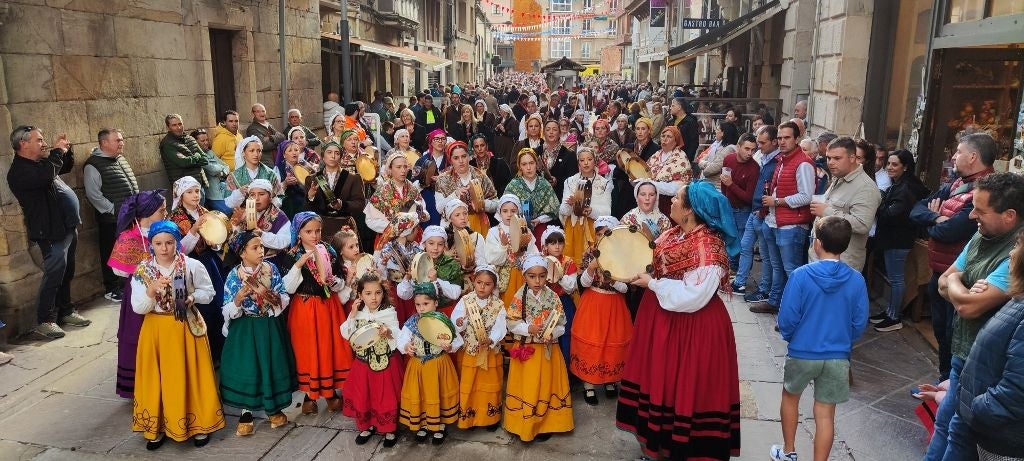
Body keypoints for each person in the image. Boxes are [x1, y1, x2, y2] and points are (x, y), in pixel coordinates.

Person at [617, 181, 741, 460]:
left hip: (692, 326)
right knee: (660, 381)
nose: (670, 201)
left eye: (676, 199)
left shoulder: (708, 248)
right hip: (662, 319)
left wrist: (652, 284)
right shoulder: (674, 233)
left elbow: (693, 296)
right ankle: (657, 445)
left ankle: (683, 450)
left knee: (683, 385)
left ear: (689, 211)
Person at [926, 172, 1024, 461]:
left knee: (958, 433)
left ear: (1009, 216)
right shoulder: (982, 235)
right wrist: (962, 286)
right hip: (965, 355)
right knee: (945, 425)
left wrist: (958, 283)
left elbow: (968, 307)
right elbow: (943, 281)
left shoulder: (1017, 251)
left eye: (980, 210)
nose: (971, 216)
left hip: (986, 371)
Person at [771, 216, 868, 461]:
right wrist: (844, 340)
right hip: (837, 355)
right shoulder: (856, 279)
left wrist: (793, 337)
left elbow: (787, 318)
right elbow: (859, 322)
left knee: (790, 398)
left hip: (802, 350)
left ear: (817, 243)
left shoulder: (800, 275)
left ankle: (789, 451)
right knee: (825, 414)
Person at [129, 220, 224, 450]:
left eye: (169, 243)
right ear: (151, 244)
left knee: (192, 374)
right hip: (156, 329)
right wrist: (151, 291)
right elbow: (138, 307)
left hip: (185, 326)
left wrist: (192, 298)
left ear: (177, 243)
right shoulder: (143, 271)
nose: (164, 248)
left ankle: (199, 424)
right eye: (158, 243)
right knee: (158, 378)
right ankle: (157, 427)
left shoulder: (191, 265)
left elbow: (208, 292)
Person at [910, 132, 996, 381]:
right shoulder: (957, 184)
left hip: (962, 276)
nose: (954, 156)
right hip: (940, 271)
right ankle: (943, 380)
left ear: (973, 156)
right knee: (941, 330)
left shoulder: (985, 191)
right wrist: (936, 218)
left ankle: (949, 384)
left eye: (958, 152)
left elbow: (951, 231)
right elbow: (917, 209)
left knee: (953, 334)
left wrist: (933, 224)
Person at [9, 126, 87, 339]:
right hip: (50, 231)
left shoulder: (42, 163)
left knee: (67, 271)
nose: (44, 144)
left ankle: (66, 311)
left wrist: (66, 151)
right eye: (39, 140)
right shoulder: (19, 171)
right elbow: (45, 177)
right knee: (54, 273)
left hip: (66, 225)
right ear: (23, 143)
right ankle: (45, 320)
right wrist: (57, 152)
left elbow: (65, 167)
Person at [956, 229, 1024, 460]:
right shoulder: (1018, 300)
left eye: (1018, 246)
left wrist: (979, 409)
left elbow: (1016, 390)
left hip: (1002, 439)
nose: (1012, 253)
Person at [219, 230, 295, 436]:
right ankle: (246, 412)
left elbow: (283, 294)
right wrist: (238, 299)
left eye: (261, 246)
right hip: (245, 327)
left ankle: (273, 408)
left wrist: (272, 298)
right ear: (242, 253)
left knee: (270, 363)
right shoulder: (234, 276)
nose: (261, 251)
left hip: (268, 324)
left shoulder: (271, 269)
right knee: (248, 367)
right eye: (255, 247)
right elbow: (227, 305)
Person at [280, 212, 353, 416]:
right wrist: (298, 265)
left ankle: (330, 392)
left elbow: (340, 279)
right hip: (305, 307)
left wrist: (334, 282)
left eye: (318, 231)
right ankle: (309, 395)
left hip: (328, 306)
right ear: (298, 232)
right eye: (308, 231)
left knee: (329, 347)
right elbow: (288, 287)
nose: (314, 235)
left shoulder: (328, 250)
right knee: (309, 350)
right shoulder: (292, 255)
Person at [503, 254, 574, 442]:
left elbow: (562, 324)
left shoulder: (553, 297)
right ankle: (524, 422)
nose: (537, 281)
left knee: (546, 385)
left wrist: (553, 333)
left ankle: (545, 423)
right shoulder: (520, 296)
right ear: (524, 275)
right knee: (528, 386)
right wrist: (529, 329)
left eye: (542, 276)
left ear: (547, 276)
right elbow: (511, 322)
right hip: (528, 352)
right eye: (532, 276)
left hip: (548, 351)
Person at [108, 190, 167, 398]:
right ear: (148, 212)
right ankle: (140, 384)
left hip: (165, 289)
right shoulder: (129, 237)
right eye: (161, 210)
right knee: (137, 334)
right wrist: (142, 270)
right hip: (138, 292)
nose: (165, 213)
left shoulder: (164, 233)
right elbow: (119, 270)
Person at [752, 121, 814, 315]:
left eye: (787, 138)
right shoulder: (782, 160)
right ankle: (775, 302)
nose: (782, 141)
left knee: (792, 271)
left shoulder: (803, 162)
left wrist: (777, 201)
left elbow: (806, 196)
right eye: (779, 138)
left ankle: (795, 312)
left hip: (792, 225)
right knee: (777, 267)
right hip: (774, 221)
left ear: (797, 139)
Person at [340, 272, 404, 447]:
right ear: (360, 295)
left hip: (386, 363)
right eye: (368, 293)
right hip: (363, 364)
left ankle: (389, 428)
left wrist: (388, 332)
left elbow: (398, 335)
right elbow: (345, 333)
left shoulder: (388, 312)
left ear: (383, 293)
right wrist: (352, 315)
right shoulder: (357, 314)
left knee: (385, 396)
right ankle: (367, 426)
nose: (373, 298)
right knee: (364, 395)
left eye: (378, 293)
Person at [167, 177, 227, 360]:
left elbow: (218, 239)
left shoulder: (205, 212)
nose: (195, 195)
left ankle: (220, 350)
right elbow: (179, 250)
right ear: (180, 195)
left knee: (217, 301)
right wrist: (193, 230)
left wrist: (215, 243)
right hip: (190, 265)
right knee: (200, 307)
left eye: (197, 191)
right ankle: (204, 353)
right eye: (189, 192)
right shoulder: (175, 218)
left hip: (210, 263)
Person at [574, 215, 631, 405]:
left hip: (615, 305)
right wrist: (591, 268)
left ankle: (609, 380)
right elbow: (583, 283)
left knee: (612, 341)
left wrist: (613, 281)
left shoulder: (622, 256)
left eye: (606, 233)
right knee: (593, 341)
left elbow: (626, 288)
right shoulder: (589, 254)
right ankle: (588, 384)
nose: (602, 237)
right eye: (599, 233)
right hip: (593, 303)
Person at [871, 150, 929, 332]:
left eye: (894, 164)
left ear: (905, 167)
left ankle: (894, 316)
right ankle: (890, 311)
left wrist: (879, 206)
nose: (889, 167)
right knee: (895, 278)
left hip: (898, 239)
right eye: (888, 163)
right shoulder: (900, 184)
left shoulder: (906, 188)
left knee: (896, 279)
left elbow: (892, 213)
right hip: (894, 238)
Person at [397, 282, 462, 445]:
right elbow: (402, 338)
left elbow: (457, 340)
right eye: (418, 304)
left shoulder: (443, 321)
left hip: (438, 363)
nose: (421, 308)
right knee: (422, 394)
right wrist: (406, 346)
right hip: (418, 365)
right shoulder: (412, 322)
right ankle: (425, 423)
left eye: (425, 303)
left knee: (437, 393)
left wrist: (450, 346)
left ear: (436, 303)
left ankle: (439, 424)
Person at [807, 137, 882, 272]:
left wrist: (826, 212)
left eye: (837, 158)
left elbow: (862, 224)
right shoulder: (840, 176)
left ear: (852, 158)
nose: (830, 162)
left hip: (842, 265)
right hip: (820, 258)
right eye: (828, 158)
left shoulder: (866, 187)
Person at [85, 128, 140, 302]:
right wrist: (113, 209)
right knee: (111, 252)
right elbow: (94, 195)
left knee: (128, 250)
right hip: (112, 219)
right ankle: (112, 288)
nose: (121, 143)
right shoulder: (93, 165)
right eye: (117, 140)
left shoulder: (120, 158)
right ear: (104, 143)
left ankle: (127, 284)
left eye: (121, 139)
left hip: (129, 215)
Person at [450, 265, 507, 431]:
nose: (482, 287)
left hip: (490, 353)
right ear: (473, 282)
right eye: (479, 282)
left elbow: (500, 326)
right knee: (470, 385)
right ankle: (470, 416)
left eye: (487, 284)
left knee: (490, 386)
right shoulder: (466, 300)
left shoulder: (498, 305)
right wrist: (459, 322)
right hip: (471, 352)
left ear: (494, 286)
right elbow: (456, 320)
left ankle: (491, 418)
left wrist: (492, 339)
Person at [365, 150, 430, 251]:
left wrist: (423, 215)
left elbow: (422, 209)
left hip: (413, 238)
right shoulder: (382, 191)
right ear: (390, 169)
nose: (403, 170)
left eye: (405, 167)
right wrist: (393, 227)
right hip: (389, 240)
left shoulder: (412, 188)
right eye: (398, 167)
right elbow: (370, 220)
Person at [395, 226, 464, 318]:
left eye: (440, 244)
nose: (435, 248)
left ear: (444, 245)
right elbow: (404, 295)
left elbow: (455, 294)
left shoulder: (451, 264)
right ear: (424, 243)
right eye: (431, 243)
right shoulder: (416, 261)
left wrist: (436, 280)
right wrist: (407, 278)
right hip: (421, 313)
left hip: (445, 313)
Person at [559, 147, 611, 267]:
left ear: (595, 161)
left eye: (589, 159)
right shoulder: (570, 181)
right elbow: (563, 210)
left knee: (593, 264)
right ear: (578, 163)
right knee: (573, 265)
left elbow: (607, 211)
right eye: (582, 160)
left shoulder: (604, 183)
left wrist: (591, 210)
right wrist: (570, 205)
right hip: (574, 228)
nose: (586, 163)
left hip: (595, 229)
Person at [434, 142, 498, 236]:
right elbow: (439, 208)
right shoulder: (443, 179)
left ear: (469, 157)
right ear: (450, 160)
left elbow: (497, 204)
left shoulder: (480, 176)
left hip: (479, 224)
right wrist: (455, 194)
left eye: (463, 156)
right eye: (456, 158)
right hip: (452, 227)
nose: (461, 161)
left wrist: (481, 204)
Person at [305, 141, 366, 239]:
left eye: (337, 153)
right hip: (321, 228)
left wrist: (342, 205)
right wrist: (310, 196)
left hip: (345, 226)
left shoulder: (352, 178)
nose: (333, 156)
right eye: (329, 152)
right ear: (323, 157)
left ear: (340, 157)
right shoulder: (313, 179)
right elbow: (307, 209)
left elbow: (360, 204)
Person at [504, 149, 561, 249]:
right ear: (519, 166)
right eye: (524, 164)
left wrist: (539, 219)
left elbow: (554, 209)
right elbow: (505, 209)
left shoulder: (544, 184)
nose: (528, 168)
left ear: (536, 164)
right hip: (518, 229)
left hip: (540, 228)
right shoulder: (513, 186)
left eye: (531, 163)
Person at [721, 133, 761, 272]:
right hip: (729, 207)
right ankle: (731, 270)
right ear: (738, 147)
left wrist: (731, 185)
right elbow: (723, 184)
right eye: (747, 148)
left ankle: (740, 273)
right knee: (729, 241)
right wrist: (724, 202)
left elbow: (749, 197)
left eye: (753, 150)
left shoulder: (754, 168)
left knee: (742, 245)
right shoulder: (728, 159)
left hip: (743, 210)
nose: (750, 153)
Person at [224, 136, 283, 210]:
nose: (256, 154)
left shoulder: (270, 174)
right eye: (252, 151)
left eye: (259, 151)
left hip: (266, 214)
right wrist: (239, 192)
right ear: (243, 153)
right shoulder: (233, 176)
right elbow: (228, 203)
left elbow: (279, 197)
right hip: (243, 214)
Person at [646, 126, 692, 216]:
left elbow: (678, 187)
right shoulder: (656, 155)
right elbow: (644, 172)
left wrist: (652, 184)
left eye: (669, 137)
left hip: (669, 204)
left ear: (675, 141)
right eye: (663, 136)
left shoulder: (680, 157)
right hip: (651, 201)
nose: (665, 139)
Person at [159, 114, 208, 186]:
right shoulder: (168, 144)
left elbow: (205, 160)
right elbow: (184, 162)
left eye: (180, 124)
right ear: (168, 128)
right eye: (174, 125)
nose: (178, 127)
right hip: (184, 186)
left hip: (200, 183)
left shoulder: (190, 139)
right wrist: (197, 156)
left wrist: (191, 161)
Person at [192, 128, 232, 215]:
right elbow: (213, 170)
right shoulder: (198, 157)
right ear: (195, 143)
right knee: (227, 211)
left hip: (224, 190)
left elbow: (227, 166)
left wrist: (221, 172)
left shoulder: (210, 152)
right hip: (213, 195)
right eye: (202, 141)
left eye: (207, 140)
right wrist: (221, 169)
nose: (206, 142)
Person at [539, 119, 578, 201]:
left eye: (554, 129)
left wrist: (557, 181)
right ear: (543, 133)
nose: (551, 132)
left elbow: (573, 179)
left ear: (559, 133)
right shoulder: (536, 152)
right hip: (539, 198)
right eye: (548, 129)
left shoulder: (569, 154)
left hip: (560, 198)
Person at [697, 121, 739, 189]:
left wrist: (703, 164)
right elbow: (702, 159)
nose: (715, 131)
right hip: (709, 184)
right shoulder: (716, 145)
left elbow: (711, 169)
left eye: (717, 129)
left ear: (723, 133)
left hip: (716, 187)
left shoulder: (729, 149)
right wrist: (707, 163)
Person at [470, 134, 513, 198]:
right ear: (473, 149)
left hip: (499, 199)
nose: (479, 149)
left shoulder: (499, 163)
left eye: (482, 145)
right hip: (478, 200)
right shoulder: (471, 165)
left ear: (487, 146)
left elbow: (508, 185)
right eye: (476, 146)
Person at [670, 97, 700, 164]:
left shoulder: (690, 122)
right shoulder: (670, 121)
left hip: (683, 159)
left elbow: (694, 142)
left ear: (679, 107)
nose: (670, 108)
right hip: (670, 157)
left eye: (673, 105)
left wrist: (687, 158)